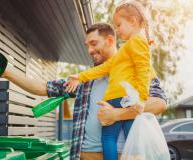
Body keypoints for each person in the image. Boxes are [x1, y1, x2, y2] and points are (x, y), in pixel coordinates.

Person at [2, 23, 167, 160]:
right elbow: (43, 87)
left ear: (110, 41)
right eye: (87, 45)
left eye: (94, 43)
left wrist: (116, 114)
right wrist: (6, 72)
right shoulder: (85, 80)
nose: (89, 50)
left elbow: (158, 104)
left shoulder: (138, 70)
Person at [65, 1, 156, 159]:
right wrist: (80, 77)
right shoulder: (126, 49)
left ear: (133, 21)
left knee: (109, 137)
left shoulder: (137, 42)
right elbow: (104, 68)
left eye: (119, 25)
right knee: (131, 137)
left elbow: (144, 69)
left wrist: (141, 97)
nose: (117, 30)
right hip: (122, 100)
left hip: (120, 99)